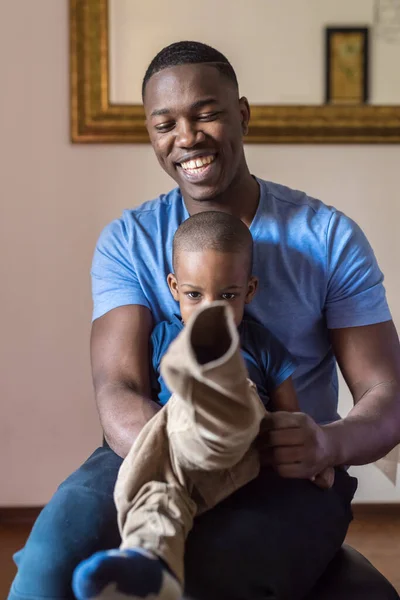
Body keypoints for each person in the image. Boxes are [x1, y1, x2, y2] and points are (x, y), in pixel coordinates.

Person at [8, 41, 400, 600]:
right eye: (164, 123)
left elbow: (387, 393)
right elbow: (116, 387)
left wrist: (327, 445)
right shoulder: (129, 240)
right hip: (152, 442)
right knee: (48, 561)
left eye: (206, 114)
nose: (186, 137)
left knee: (212, 578)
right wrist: (189, 451)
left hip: (283, 469)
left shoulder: (329, 238)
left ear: (242, 114)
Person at [72, 212, 334, 600]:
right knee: (158, 495)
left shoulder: (262, 345)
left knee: (227, 401)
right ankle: (148, 565)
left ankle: (214, 387)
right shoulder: (161, 337)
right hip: (180, 452)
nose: (211, 308)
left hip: (243, 447)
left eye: (227, 295)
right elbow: (138, 406)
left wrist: (316, 458)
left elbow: (290, 418)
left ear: (249, 289)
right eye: (195, 295)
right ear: (175, 288)